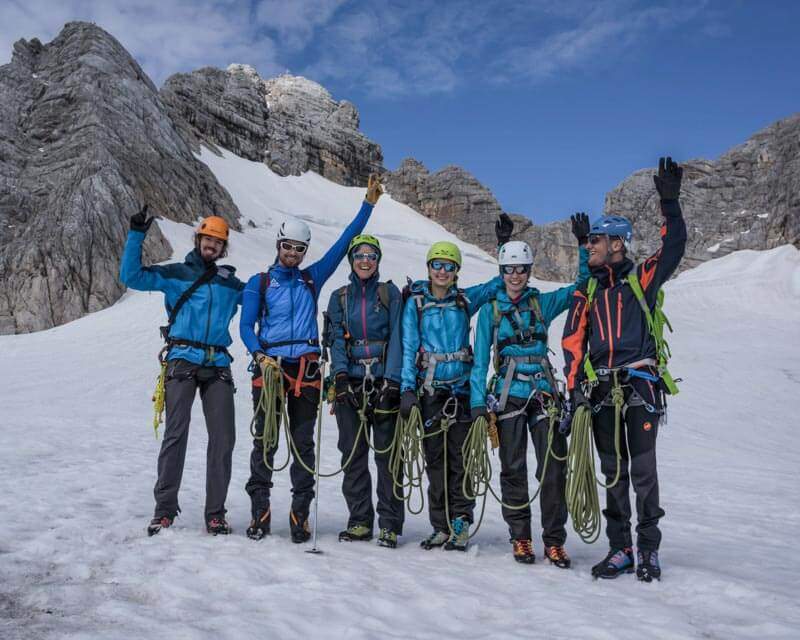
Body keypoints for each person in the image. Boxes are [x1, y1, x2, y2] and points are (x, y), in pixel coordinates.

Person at [561, 157, 686, 582]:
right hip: (601, 394)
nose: (589, 246)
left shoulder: (642, 279)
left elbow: (673, 249)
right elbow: (572, 343)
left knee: (643, 473)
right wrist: (574, 389)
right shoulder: (589, 291)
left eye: (595, 240)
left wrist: (670, 204)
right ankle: (621, 549)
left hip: (640, 388)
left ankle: (648, 549)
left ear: (617, 243)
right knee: (613, 472)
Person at [240, 175, 383, 543]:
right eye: (288, 247)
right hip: (270, 367)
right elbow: (245, 326)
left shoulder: (310, 279)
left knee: (303, 444)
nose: (293, 254)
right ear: (278, 245)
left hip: (305, 368)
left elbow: (344, 243)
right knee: (266, 441)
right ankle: (260, 512)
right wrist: (259, 354)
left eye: (299, 249)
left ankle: (299, 514)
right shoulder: (259, 282)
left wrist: (368, 204)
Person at [469, 220, 589, 566]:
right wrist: (478, 403)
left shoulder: (543, 304)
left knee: (553, 466)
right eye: (509, 270)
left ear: (529, 271)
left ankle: (554, 540)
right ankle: (520, 537)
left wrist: (582, 246)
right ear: (502, 271)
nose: (516, 276)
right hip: (508, 394)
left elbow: (581, 286)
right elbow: (479, 362)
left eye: (521, 270)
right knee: (513, 468)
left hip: (542, 392)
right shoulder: (491, 311)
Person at [120, 207, 244, 536]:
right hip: (183, 360)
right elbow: (131, 278)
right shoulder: (177, 273)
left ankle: (215, 513)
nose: (212, 245)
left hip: (217, 364)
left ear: (223, 248)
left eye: (218, 242)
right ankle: (164, 511)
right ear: (199, 239)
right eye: (208, 239)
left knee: (224, 438)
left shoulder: (230, 282)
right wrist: (136, 235)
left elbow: (265, 297)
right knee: (176, 434)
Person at [399, 227, 507, 552]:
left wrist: (503, 247)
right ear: (429, 268)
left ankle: (460, 521)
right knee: (435, 461)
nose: (442, 271)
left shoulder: (465, 299)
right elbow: (409, 347)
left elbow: (498, 285)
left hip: (460, 391)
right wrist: (407, 389)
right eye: (437, 265)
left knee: (460, 460)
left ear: (456, 271)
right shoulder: (415, 304)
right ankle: (440, 526)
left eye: (449, 266)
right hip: (431, 392)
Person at [326, 234, 404, 548]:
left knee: (388, 457)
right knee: (353, 454)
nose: (365, 260)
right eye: (359, 255)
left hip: (384, 383)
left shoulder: (389, 293)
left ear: (378, 260)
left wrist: (394, 379)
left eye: (371, 255)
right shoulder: (339, 297)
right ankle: (360, 521)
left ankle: (389, 524)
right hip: (352, 384)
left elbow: (399, 335)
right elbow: (336, 338)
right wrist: (340, 375)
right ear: (351, 260)